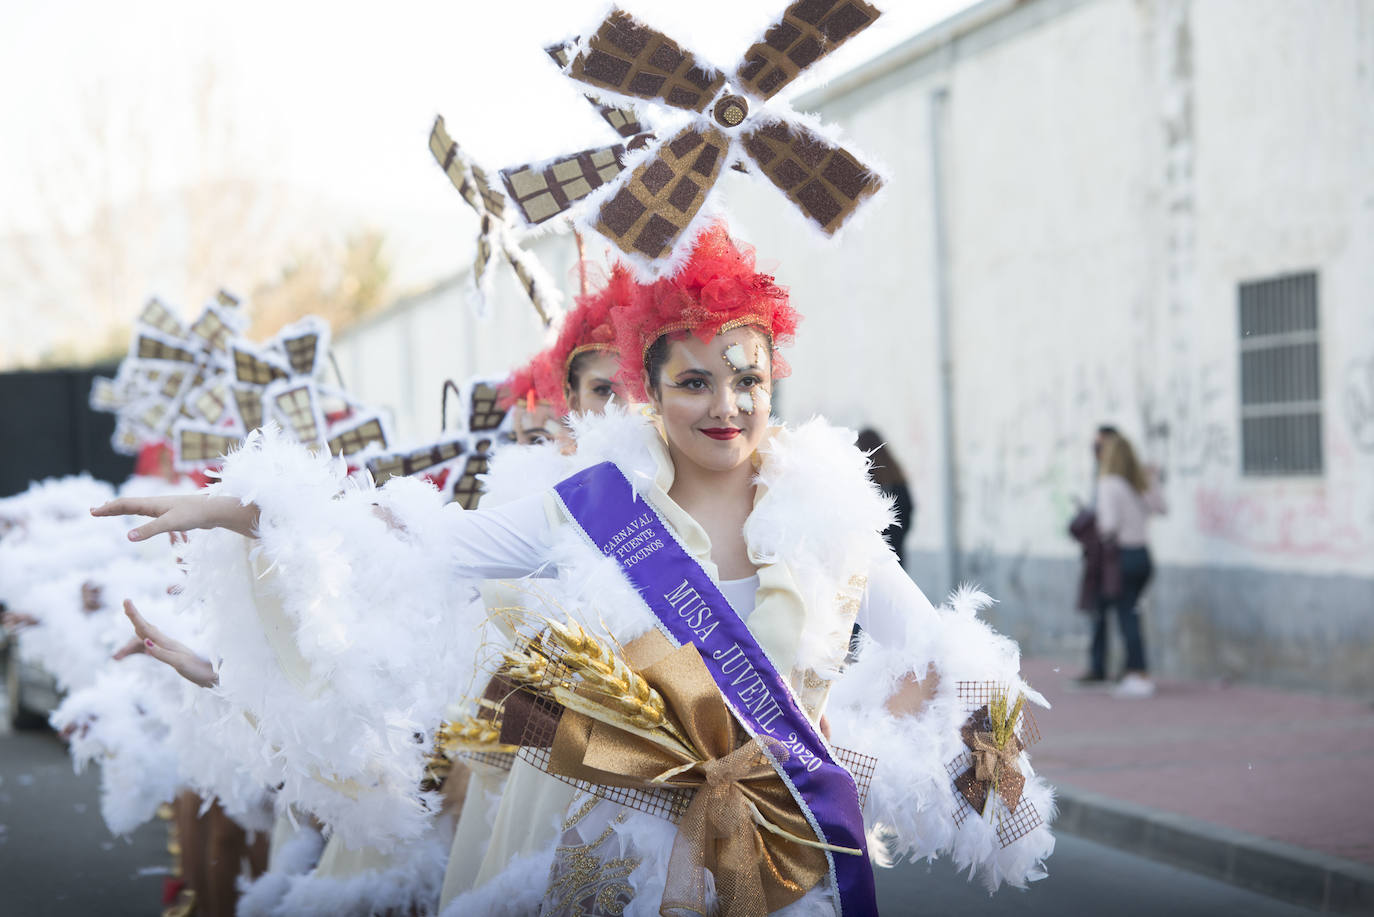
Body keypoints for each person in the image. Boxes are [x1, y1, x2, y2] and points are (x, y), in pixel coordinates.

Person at [94, 225, 1054, 915]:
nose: (727, 405)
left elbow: (946, 654)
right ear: (652, 391)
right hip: (610, 872)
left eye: (749, 377)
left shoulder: (832, 517)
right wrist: (251, 506)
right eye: (695, 381)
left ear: (775, 380)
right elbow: (418, 540)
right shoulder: (593, 506)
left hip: (783, 867)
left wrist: (887, 761)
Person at [1084, 430, 1166, 698]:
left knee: (1125, 616)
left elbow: (1108, 525)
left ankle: (1136, 673)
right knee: (1131, 612)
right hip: (1143, 555)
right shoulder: (1140, 481)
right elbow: (1161, 507)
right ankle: (1133, 670)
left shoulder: (1109, 483)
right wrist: (1151, 480)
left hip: (1121, 557)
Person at [855, 428, 914, 568]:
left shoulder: (862, 480)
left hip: (867, 556)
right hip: (894, 553)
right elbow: (907, 512)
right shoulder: (896, 477)